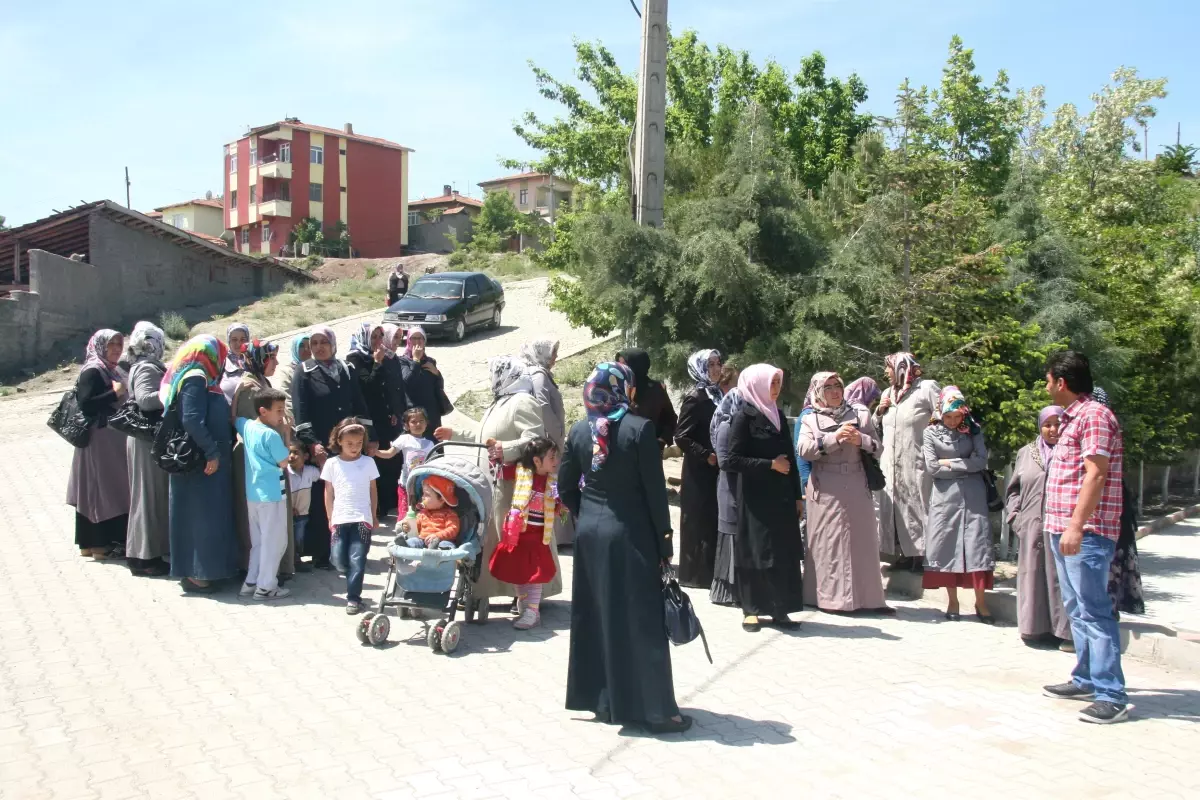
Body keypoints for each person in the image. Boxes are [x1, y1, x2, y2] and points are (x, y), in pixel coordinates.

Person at [559, 362, 689, 734]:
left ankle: (603, 700)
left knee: (598, 616)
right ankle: (657, 712)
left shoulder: (580, 429)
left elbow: (566, 486)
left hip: (591, 538)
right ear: (624, 388)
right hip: (631, 536)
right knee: (642, 620)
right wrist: (665, 541)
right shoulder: (639, 429)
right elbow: (653, 493)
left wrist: (587, 518)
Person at [1042, 352, 1129, 724]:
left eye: (1048, 381)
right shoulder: (1071, 417)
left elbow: (1095, 474)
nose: (1046, 387)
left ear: (1061, 383)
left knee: (1095, 611)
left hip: (1086, 532)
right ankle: (1087, 678)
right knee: (1077, 609)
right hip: (1061, 528)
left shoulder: (1094, 416)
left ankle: (1112, 694)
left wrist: (1077, 525)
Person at [470, 356, 562, 611]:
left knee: (520, 542)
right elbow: (485, 436)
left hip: (518, 488)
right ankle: (512, 591)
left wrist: (505, 449)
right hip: (499, 485)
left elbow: (534, 438)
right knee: (503, 540)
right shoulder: (500, 401)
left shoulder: (523, 401)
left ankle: (528, 596)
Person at [798, 372, 892, 615]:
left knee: (863, 541)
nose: (834, 391)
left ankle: (869, 599)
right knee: (829, 544)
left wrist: (859, 439)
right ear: (819, 391)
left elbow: (877, 447)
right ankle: (829, 600)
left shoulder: (859, 413)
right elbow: (804, 450)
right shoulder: (810, 417)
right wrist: (834, 439)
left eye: (837, 386)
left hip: (857, 481)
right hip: (826, 485)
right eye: (828, 387)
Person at [724, 364, 804, 632]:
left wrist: (797, 496)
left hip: (781, 496)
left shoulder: (778, 415)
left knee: (781, 552)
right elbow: (732, 460)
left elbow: (790, 458)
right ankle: (751, 609)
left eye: (778, 383)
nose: (776, 388)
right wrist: (769, 464)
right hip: (756, 498)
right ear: (756, 384)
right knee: (756, 552)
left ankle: (780, 608)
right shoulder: (743, 417)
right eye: (771, 383)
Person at [292, 326, 376, 571]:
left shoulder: (345, 369)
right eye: (314, 343)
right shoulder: (304, 372)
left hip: (347, 444)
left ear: (333, 344)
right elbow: (301, 412)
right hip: (321, 447)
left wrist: (370, 437)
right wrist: (313, 444)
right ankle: (321, 552)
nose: (318, 347)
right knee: (323, 499)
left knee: (348, 495)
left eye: (323, 342)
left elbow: (359, 404)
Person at [161, 335, 238, 593]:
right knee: (199, 518)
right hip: (201, 464)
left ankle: (212, 570)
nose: (223, 359)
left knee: (210, 517)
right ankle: (194, 574)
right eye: (221, 353)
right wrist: (212, 452)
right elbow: (192, 419)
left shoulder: (205, 377)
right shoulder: (196, 376)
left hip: (208, 462)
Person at [921, 386, 995, 621]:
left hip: (974, 496)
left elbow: (981, 461)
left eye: (957, 416)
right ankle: (952, 602)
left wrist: (950, 463)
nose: (953, 421)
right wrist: (964, 462)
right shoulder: (931, 433)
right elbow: (932, 467)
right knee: (947, 545)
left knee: (977, 545)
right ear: (940, 413)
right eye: (948, 416)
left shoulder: (973, 430)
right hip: (945, 498)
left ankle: (980, 603)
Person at [1007, 405, 1072, 647]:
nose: (1054, 430)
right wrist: (1016, 519)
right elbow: (1013, 490)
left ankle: (1065, 633)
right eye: (1048, 425)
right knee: (1033, 575)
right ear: (1040, 427)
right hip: (1031, 526)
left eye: (1059, 424)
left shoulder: (1072, 451)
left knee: (1060, 578)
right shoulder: (1026, 453)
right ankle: (1034, 629)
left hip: (1062, 526)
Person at [231, 339, 294, 583]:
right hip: (265, 471)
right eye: (272, 357)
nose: (276, 362)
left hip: (265, 470)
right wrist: (287, 435)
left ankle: (262, 578)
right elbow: (258, 430)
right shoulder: (251, 388)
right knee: (268, 534)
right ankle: (266, 581)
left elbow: (236, 418)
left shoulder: (259, 382)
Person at [67, 329, 130, 560]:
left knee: (106, 489)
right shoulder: (93, 370)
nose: (116, 349)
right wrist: (114, 394)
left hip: (107, 444)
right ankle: (99, 545)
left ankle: (92, 544)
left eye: (119, 344)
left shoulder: (110, 369)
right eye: (111, 344)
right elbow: (86, 405)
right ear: (100, 346)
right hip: (97, 444)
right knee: (98, 491)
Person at [876, 352, 941, 571]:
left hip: (916, 460)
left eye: (888, 367)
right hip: (891, 463)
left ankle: (923, 556)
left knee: (918, 505)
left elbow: (944, 417)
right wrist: (879, 412)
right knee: (895, 507)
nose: (885, 372)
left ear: (902, 368)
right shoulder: (888, 393)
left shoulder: (926, 389)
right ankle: (903, 554)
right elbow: (880, 427)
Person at [490, 437, 561, 630]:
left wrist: (561, 507)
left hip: (539, 535)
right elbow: (500, 471)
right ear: (537, 461)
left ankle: (532, 610)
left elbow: (558, 506)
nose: (556, 461)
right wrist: (496, 456)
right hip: (518, 534)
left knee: (535, 574)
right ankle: (523, 602)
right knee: (519, 572)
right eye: (552, 457)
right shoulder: (521, 471)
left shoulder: (553, 481)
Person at [1092, 388, 1145, 618]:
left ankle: (1107, 612)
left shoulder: (1101, 428)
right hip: (1112, 509)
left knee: (1110, 564)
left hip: (1108, 512)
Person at [122, 322, 170, 576]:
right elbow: (145, 400)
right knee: (148, 498)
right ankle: (144, 558)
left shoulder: (142, 365)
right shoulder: (146, 368)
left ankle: (143, 554)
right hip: (144, 441)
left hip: (142, 440)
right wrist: (171, 392)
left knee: (147, 497)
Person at [235, 388, 292, 601]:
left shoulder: (248, 426)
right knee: (275, 542)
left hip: (254, 495)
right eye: (278, 410)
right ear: (263, 411)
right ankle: (266, 586)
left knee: (258, 541)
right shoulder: (271, 435)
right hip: (273, 495)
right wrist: (286, 433)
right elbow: (284, 462)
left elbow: (235, 418)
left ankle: (251, 581)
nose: (281, 415)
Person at [345, 322, 407, 516]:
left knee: (388, 461)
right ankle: (375, 508)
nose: (378, 341)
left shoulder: (382, 357)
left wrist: (392, 412)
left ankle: (389, 504)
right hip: (367, 420)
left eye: (380, 337)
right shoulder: (355, 359)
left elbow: (387, 387)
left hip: (384, 418)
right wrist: (377, 363)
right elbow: (368, 386)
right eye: (374, 337)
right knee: (373, 463)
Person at [674, 348, 723, 588]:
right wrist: (706, 455)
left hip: (716, 468)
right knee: (696, 520)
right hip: (698, 470)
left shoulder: (717, 395)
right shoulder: (696, 397)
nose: (716, 369)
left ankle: (711, 572)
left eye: (718, 363)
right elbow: (681, 436)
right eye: (710, 365)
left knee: (712, 519)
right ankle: (693, 576)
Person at [322, 418, 380, 614]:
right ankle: (351, 576)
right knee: (338, 559)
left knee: (358, 559)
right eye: (349, 443)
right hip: (340, 518)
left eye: (358, 443)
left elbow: (373, 490)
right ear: (339, 441)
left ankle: (354, 598)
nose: (354, 447)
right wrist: (330, 518)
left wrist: (373, 515)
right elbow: (328, 492)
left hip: (362, 518)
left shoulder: (368, 462)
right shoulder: (331, 463)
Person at [521, 339, 573, 548]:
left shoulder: (539, 373)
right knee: (553, 487)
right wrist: (558, 434)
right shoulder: (539, 376)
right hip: (549, 442)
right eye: (552, 354)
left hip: (550, 441)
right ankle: (557, 537)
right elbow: (543, 406)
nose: (555, 358)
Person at [709, 385, 743, 606]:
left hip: (741, 487)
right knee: (730, 532)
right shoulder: (725, 426)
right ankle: (726, 591)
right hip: (729, 487)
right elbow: (724, 461)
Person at [617, 348, 677, 450]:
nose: (620, 369)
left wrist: (661, 441)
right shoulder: (617, 388)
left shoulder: (656, 389)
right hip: (622, 450)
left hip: (649, 450)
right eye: (618, 364)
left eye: (624, 365)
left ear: (636, 366)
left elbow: (670, 419)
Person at [386, 407, 437, 514]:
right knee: (405, 511)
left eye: (421, 421)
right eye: (413, 422)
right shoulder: (404, 439)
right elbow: (389, 453)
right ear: (406, 425)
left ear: (426, 423)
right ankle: (403, 530)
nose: (418, 424)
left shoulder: (430, 444)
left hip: (423, 485)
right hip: (406, 483)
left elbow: (435, 462)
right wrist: (375, 452)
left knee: (421, 510)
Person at [400, 327, 450, 434]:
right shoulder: (403, 361)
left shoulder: (430, 361)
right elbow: (408, 382)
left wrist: (436, 373)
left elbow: (439, 385)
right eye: (414, 338)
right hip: (415, 415)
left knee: (435, 446)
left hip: (432, 413)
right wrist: (416, 360)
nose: (417, 341)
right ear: (408, 340)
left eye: (420, 338)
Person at [395, 475, 460, 550]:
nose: (423, 497)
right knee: (414, 541)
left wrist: (438, 536)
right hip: (422, 541)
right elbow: (416, 527)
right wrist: (408, 527)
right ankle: (405, 545)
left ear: (442, 499)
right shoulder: (422, 513)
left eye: (427, 495)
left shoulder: (449, 514)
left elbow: (453, 529)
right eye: (423, 494)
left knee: (447, 544)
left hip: (441, 540)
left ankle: (438, 549)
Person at [286, 445, 320, 573]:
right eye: (289, 452)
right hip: (289, 514)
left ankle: (297, 559)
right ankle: (291, 562)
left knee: (299, 538)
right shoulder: (286, 472)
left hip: (303, 514)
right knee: (289, 539)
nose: (291, 456)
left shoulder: (310, 471)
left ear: (305, 456)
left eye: (295, 452)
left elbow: (324, 475)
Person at [280, 333, 310, 422]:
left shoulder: (315, 367)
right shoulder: (288, 371)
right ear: (295, 348)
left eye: (309, 346)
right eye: (301, 346)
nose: (306, 349)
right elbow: (287, 400)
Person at [220, 323, 251, 405]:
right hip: (229, 413)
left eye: (243, 339)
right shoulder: (222, 362)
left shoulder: (253, 360)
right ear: (229, 341)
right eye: (234, 339)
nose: (238, 343)